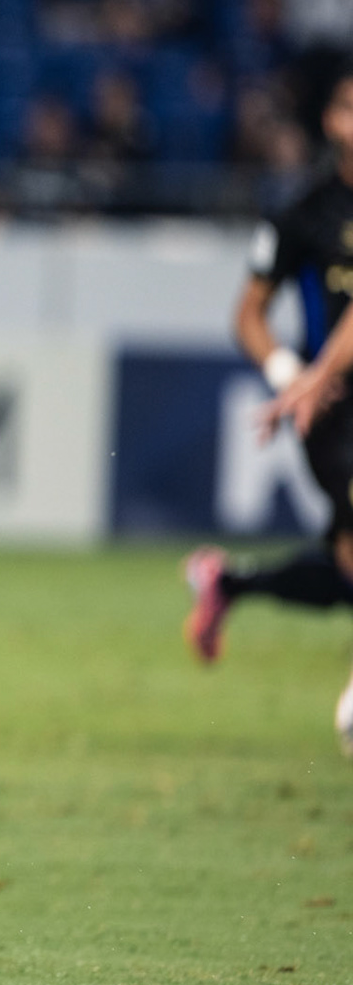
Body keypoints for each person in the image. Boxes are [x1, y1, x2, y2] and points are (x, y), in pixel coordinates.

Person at [185, 69, 353, 756]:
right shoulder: (304, 210)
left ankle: (232, 580)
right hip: (335, 414)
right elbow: (248, 315)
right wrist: (296, 377)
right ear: (332, 122)